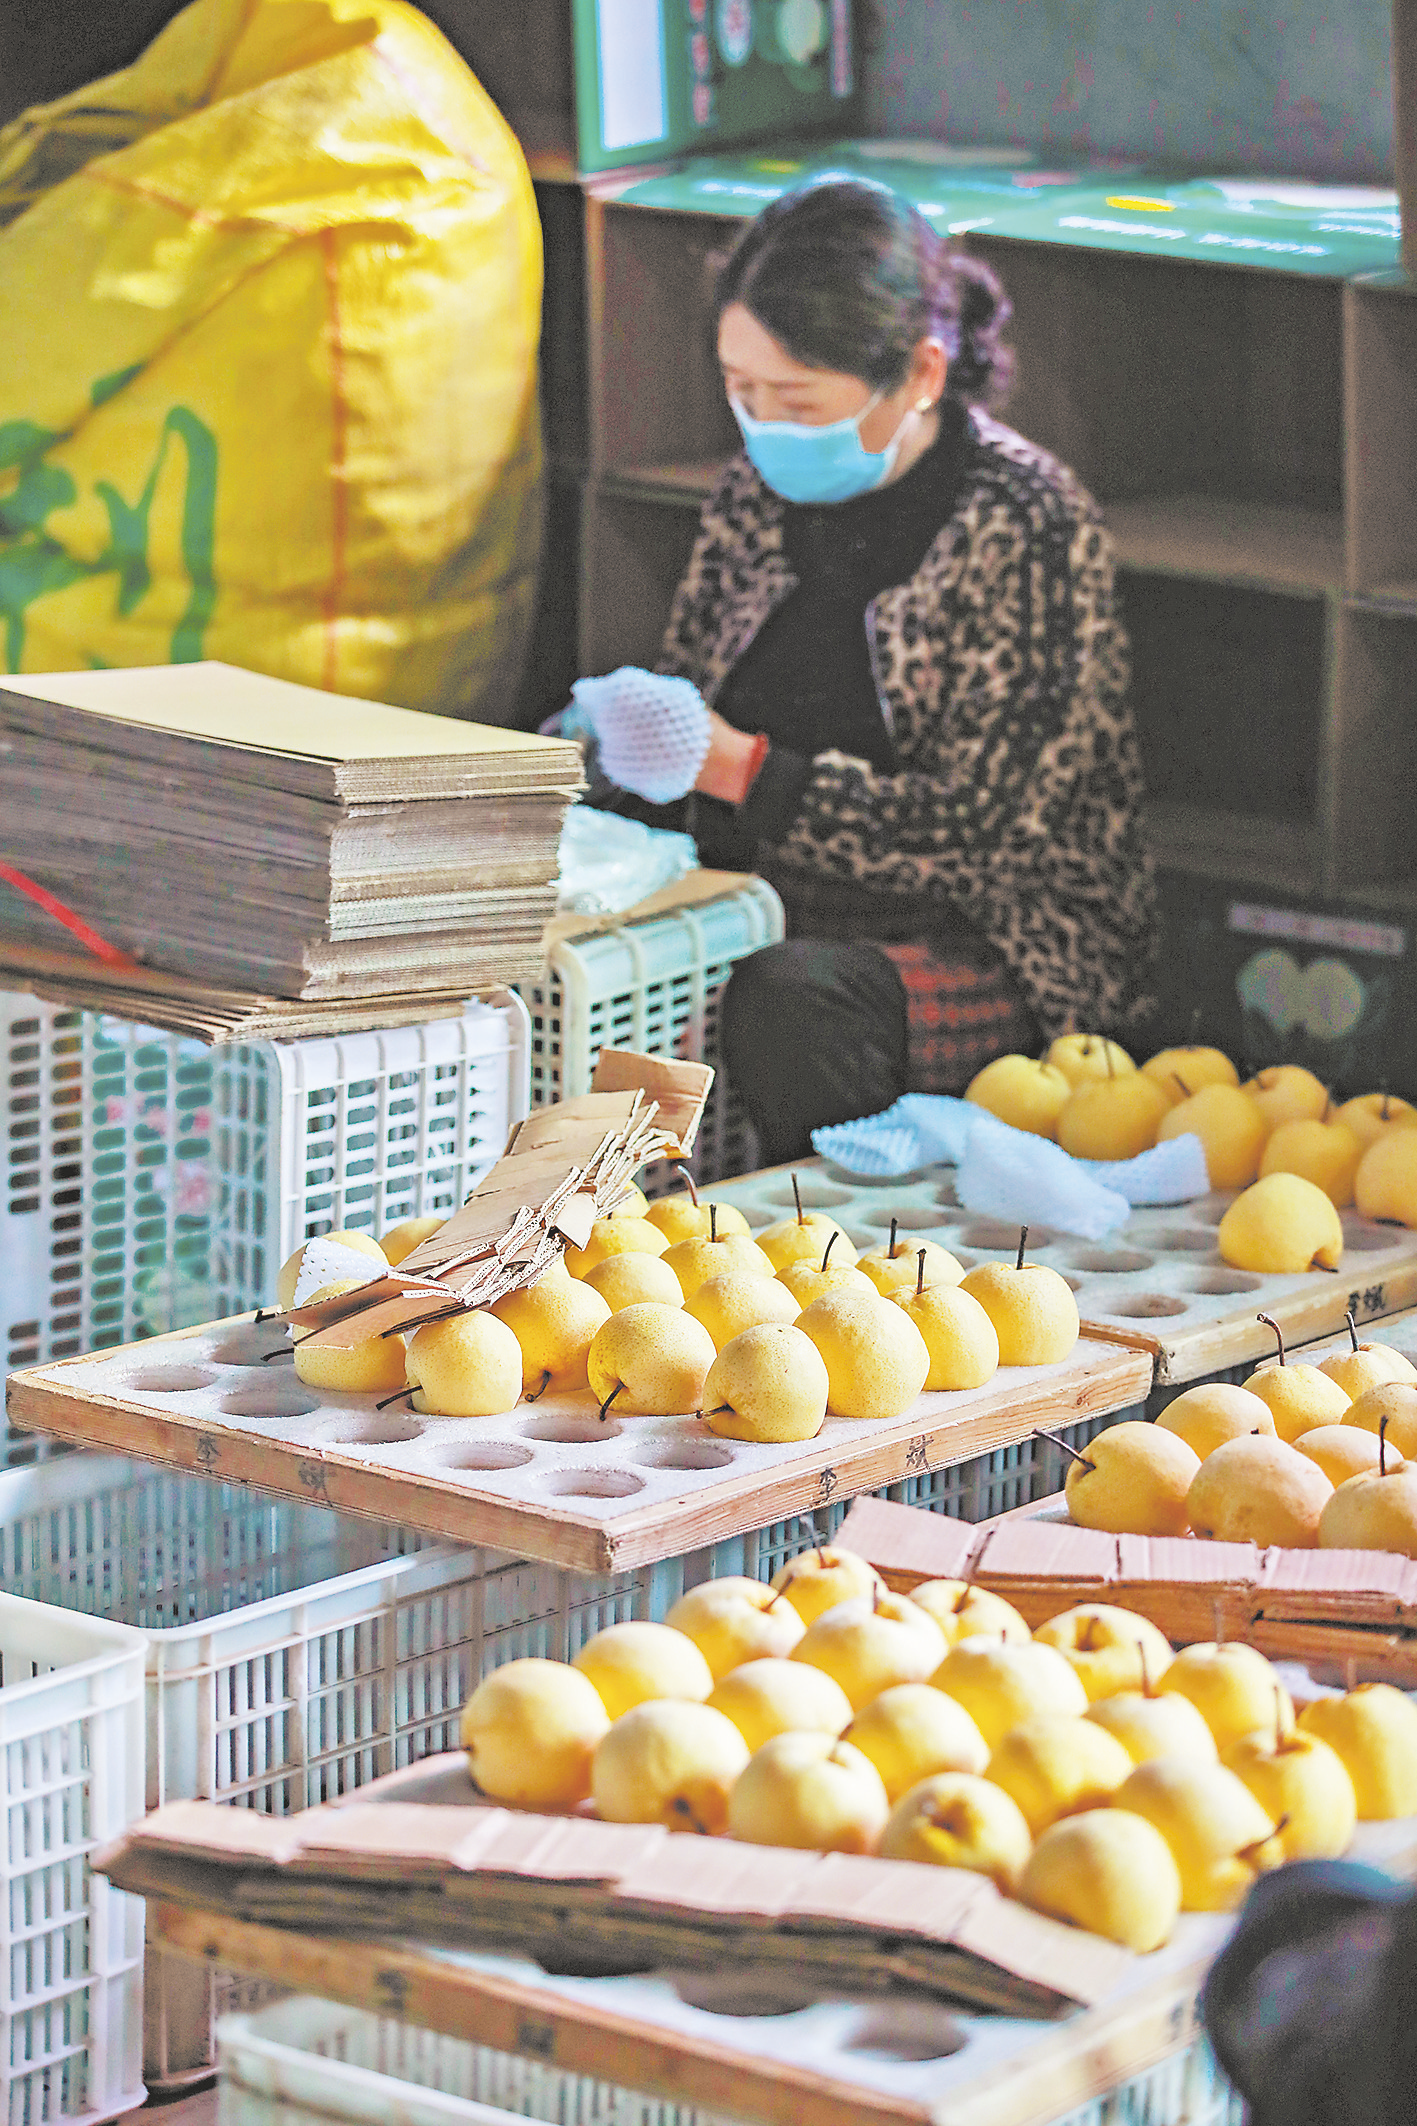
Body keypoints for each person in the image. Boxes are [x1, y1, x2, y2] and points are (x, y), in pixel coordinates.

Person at [568, 178, 1157, 1164]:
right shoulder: (752, 494)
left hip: (993, 939)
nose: (761, 426)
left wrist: (740, 770)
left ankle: (838, 1269)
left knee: (793, 1003)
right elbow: (688, 701)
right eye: (740, 390)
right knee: (586, 972)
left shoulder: (1027, 523)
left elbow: (983, 838)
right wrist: (601, 747)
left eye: (794, 400)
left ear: (921, 372)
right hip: (768, 900)